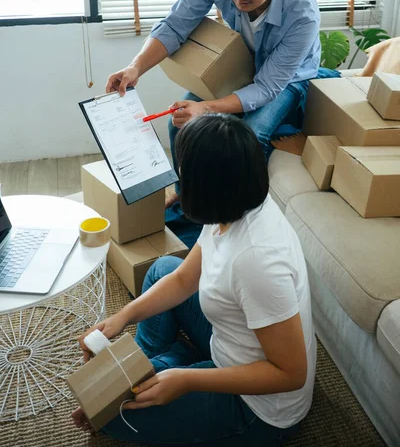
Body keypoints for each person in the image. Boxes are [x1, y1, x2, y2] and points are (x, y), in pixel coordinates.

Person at [72, 114, 317, 447]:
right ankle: (155, 367)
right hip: (230, 341)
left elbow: (290, 374)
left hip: (258, 409)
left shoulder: (258, 262)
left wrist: (188, 381)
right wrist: (122, 317)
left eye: (182, 171)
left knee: (112, 412)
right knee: (162, 268)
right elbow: (185, 278)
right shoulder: (235, 201)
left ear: (205, 186)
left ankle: (169, 367)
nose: (178, 178)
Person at [106, 0, 323, 206]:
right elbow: (174, 27)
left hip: (287, 79)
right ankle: (188, 201)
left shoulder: (302, 14)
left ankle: (237, 217)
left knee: (249, 136)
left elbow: (267, 87)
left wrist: (205, 108)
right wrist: (136, 67)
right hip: (240, 65)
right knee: (180, 124)